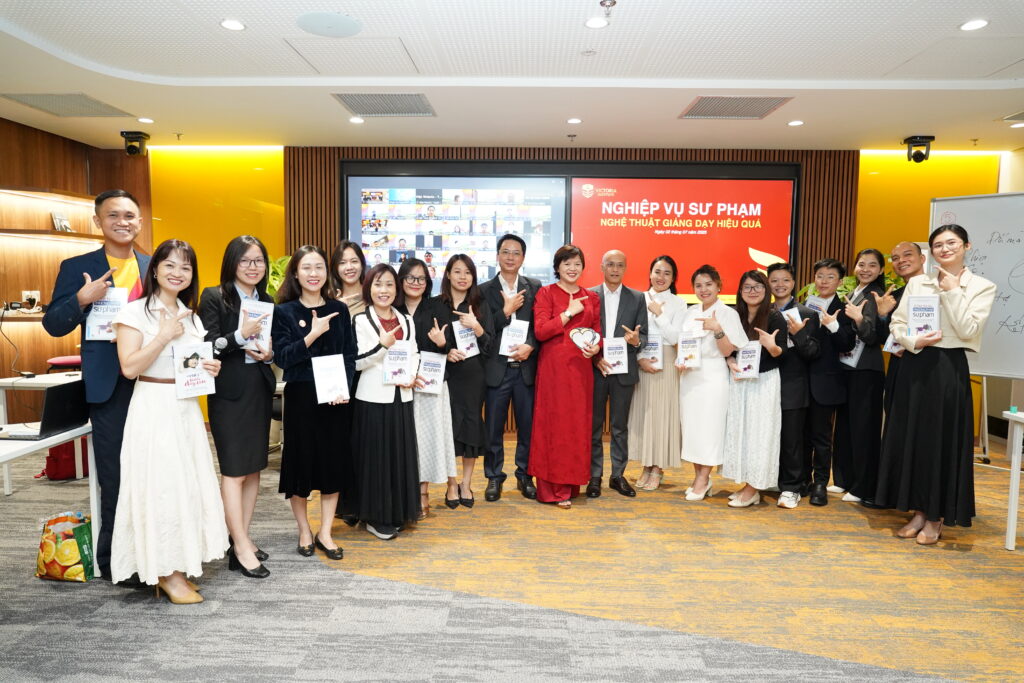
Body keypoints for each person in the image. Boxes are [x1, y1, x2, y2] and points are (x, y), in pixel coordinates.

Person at [42, 189, 151, 583]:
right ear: (98, 221)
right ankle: (114, 561)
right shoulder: (78, 266)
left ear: (140, 222)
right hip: (110, 386)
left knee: (151, 471)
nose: (123, 222)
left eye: (130, 216)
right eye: (113, 215)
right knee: (115, 475)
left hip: (151, 382)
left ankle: (151, 553)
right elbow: (54, 324)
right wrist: (82, 299)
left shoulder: (152, 265)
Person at [110, 239, 226, 603]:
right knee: (161, 488)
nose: (178, 273)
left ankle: (179, 565)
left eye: (185, 267)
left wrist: (209, 367)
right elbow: (129, 368)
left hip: (185, 409)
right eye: (170, 265)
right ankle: (165, 573)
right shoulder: (134, 313)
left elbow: (189, 365)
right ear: (155, 269)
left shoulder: (191, 316)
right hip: (153, 407)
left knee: (186, 487)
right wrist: (162, 336)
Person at [876, 225, 996, 544]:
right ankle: (918, 511)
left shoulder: (982, 287)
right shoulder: (918, 282)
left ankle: (935, 516)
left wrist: (953, 290)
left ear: (966, 246)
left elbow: (969, 330)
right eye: (938, 245)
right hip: (914, 363)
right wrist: (913, 341)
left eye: (952, 243)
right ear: (931, 251)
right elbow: (898, 323)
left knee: (939, 442)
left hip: (947, 368)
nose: (945, 249)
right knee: (912, 439)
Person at [198, 235, 275, 578]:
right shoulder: (214, 296)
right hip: (228, 393)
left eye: (258, 260)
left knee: (254, 467)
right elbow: (207, 344)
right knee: (234, 470)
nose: (253, 267)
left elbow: (270, 344)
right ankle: (241, 547)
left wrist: (269, 354)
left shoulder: (267, 300)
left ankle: (240, 538)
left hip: (258, 388)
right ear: (232, 263)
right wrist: (240, 335)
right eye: (245, 260)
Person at [272, 245, 355, 560]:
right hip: (301, 399)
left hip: (334, 399)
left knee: (332, 466)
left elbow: (349, 355)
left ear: (326, 272)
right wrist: (312, 334)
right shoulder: (284, 312)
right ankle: (305, 530)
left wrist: (344, 388)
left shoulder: (339, 309)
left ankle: (326, 532)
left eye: (319, 267)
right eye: (306, 267)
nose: (313, 273)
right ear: (295, 273)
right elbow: (283, 358)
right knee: (300, 467)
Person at [348, 264, 422, 539]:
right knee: (375, 460)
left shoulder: (406, 320)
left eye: (389, 284)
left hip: (401, 397)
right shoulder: (360, 320)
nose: (384, 290)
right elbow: (356, 362)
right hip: (372, 398)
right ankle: (374, 517)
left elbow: (414, 353)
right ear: (369, 288)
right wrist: (382, 347)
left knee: (398, 457)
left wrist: (411, 375)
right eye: (378, 284)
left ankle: (395, 512)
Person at [529, 245, 601, 508]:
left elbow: (597, 330)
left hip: (581, 371)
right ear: (557, 267)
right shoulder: (546, 293)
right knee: (554, 427)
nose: (572, 268)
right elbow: (541, 331)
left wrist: (597, 347)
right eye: (567, 263)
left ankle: (570, 484)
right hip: (554, 371)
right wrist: (568, 313)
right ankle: (553, 489)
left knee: (576, 428)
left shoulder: (591, 297)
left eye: (577, 264)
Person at [676, 265, 747, 501]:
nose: (703, 289)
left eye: (708, 284)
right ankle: (700, 477)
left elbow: (728, 351)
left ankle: (703, 479)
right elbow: (683, 344)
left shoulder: (727, 313)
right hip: (690, 377)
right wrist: (681, 360)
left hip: (713, 376)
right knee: (693, 429)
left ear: (718, 286)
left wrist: (717, 329)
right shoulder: (690, 312)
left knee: (709, 429)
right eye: (698, 285)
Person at [396, 258, 460, 515]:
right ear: (401, 280)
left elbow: (450, 346)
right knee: (403, 439)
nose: (416, 283)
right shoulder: (393, 308)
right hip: (399, 383)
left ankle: (422, 492)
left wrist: (442, 342)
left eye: (421, 278)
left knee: (426, 440)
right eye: (411, 278)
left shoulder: (437, 306)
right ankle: (403, 491)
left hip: (430, 385)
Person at [479, 234, 541, 501]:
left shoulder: (535, 287)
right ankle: (494, 477)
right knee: (493, 428)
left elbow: (540, 325)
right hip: (498, 369)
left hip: (525, 368)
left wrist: (531, 345)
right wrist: (505, 312)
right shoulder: (483, 290)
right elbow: (483, 331)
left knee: (527, 427)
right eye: (506, 252)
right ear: (497, 256)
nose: (510, 257)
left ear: (523, 258)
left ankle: (525, 475)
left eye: (516, 253)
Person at [722, 271, 787, 507]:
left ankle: (753, 488)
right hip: (740, 380)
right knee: (743, 432)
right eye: (747, 287)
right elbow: (728, 349)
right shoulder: (734, 316)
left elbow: (782, 355)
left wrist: (772, 347)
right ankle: (748, 483)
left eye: (758, 286)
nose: (752, 291)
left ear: (766, 290)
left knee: (760, 433)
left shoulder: (774, 317)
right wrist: (730, 360)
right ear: (740, 291)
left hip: (764, 382)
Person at [587, 250, 647, 499]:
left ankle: (617, 476)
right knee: (593, 426)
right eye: (610, 264)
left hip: (624, 371)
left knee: (620, 427)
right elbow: (584, 334)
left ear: (625, 268)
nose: (614, 269)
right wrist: (595, 358)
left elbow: (644, 337)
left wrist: (636, 341)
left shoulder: (637, 298)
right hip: (596, 369)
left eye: (619, 265)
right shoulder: (589, 295)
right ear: (602, 266)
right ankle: (594, 476)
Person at [436, 254, 493, 507]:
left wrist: (477, 327)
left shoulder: (481, 305)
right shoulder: (436, 305)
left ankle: (466, 484)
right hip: (448, 375)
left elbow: (490, 344)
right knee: (449, 428)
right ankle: (451, 484)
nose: (462, 277)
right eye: (457, 271)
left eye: (468, 272)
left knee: (471, 427)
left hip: (474, 376)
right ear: (448, 274)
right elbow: (428, 342)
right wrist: (445, 351)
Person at [833, 248, 887, 504]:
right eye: (861, 264)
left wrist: (858, 320)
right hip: (847, 367)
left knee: (864, 429)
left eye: (872, 265)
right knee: (845, 425)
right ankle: (844, 479)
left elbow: (874, 337)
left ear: (881, 270)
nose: (866, 269)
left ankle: (863, 486)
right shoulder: (854, 292)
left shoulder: (876, 296)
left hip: (867, 370)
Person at [629, 255, 686, 491]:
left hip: (667, 362)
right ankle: (646, 465)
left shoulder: (679, 303)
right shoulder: (637, 298)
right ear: (650, 273)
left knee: (663, 415)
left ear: (673, 278)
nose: (661, 277)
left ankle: (658, 468)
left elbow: (675, 337)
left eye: (667, 273)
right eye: (657, 271)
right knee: (646, 415)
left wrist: (659, 314)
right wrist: (639, 359)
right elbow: (631, 334)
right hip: (642, 361)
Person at [803, 258, 857, 506]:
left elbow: (847, 344)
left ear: (840, 281)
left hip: (825, 383)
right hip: (800, 381)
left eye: (830, 277)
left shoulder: (844, 309)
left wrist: (833, 325)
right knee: (800, 436)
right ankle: (802, 479)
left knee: (822, 438)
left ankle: (820, 484)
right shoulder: (805, 306)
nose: (824, 281)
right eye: (820, 276)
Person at [767, 262, 820, 509]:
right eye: (774, 280)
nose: (780, 285)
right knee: (770, 436)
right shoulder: (763, 313)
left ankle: (792, 487)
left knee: (792, 439)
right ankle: (773, 480)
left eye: (785, 280)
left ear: (793, 283)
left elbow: (813, 353)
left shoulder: (807, 313)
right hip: (766, 383)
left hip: (793, 384)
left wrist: (798, 334)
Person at [876, 241, 927, 417]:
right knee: (897, 416)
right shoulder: (893, 297)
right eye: (895, 258)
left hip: (928, 366)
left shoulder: (938, 289)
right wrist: (882, 314)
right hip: (899, 367)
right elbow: (883, 338)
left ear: (922, 258)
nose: (901, 261)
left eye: (907, 255)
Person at [330, 240, 367, 316]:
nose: (349, 267)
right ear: (336, 268)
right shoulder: (329, 299)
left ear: (362, 265)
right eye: (342, 263)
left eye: (354, 261)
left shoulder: (372, 295)